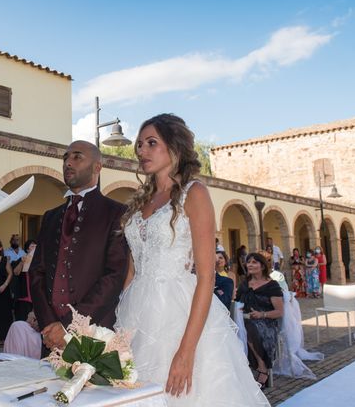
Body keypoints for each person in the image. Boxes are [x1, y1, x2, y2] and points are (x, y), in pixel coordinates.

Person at [115, 114, 269, 406]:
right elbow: (133, 270)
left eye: (151, 143)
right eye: (139, 145)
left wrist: (186, 352)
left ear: (174, 147)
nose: (141, 152)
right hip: (135, 313)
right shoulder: (140, 201)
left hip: (177, 312)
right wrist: (121, 328)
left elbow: (207, 277)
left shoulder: (193, 193)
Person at [30, 140, 129, 352]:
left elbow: (114, 276)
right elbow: (37, 273)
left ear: (97, 167)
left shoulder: (116, 213)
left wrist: (69, 326)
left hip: (94, 333)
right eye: (65, 158)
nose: (68, 163)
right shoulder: (50, 216)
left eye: (77, 157)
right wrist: (49, 325)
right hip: (51, 339)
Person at [236, 253, 284, 389]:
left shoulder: (272, 285)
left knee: (249, 328)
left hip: (267, 322)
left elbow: (279, 312)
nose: (250, 265)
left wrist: (262, 314)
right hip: (246, 320)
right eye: (248, 262)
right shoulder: (244, 284)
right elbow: (238, 302)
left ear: (262, 266)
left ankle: (262, 367)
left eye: (254, 262)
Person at [13, 239, 37, 321]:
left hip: (36, 297)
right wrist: (22, 262)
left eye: (36, 246)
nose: (34, 247)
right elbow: (16, 272)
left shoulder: (39, 261)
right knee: (23, 321)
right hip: (24, 297)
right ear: (27, 249)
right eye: (32, 246)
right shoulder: (22, 259)